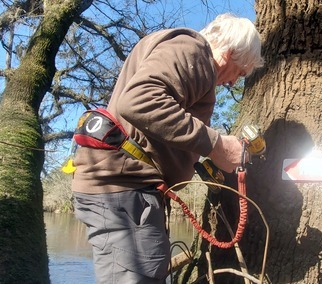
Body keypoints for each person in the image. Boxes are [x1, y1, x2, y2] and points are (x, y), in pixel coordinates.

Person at [71, 13, 264, 283]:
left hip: (128, 193)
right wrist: (216, 145)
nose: (233, 82)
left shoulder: (180, 51)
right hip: (125, 192)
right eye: (240, 72)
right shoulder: (193, 49)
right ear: (231, 51)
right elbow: (139, 101)